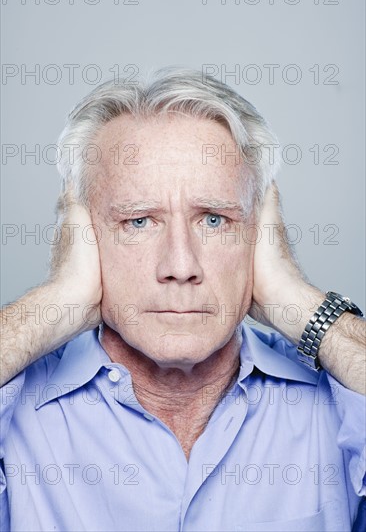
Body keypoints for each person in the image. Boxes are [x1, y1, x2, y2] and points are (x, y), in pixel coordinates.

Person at [0, 68, 365, 532]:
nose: (180, 263)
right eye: (138, 222)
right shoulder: (19, 408)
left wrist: (295, 298)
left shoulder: (338, 398)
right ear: (83, 236)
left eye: (214, 220)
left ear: (261, 233)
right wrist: (57, 299)